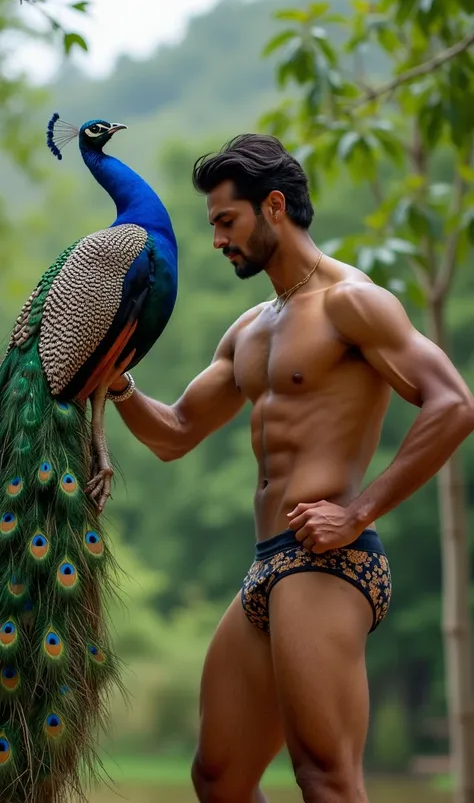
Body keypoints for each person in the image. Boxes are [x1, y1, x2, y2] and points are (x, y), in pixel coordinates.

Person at [102, 134, 474, 803]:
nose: (217, 240)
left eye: (226, 221)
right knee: (218, 778)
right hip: (266, 566)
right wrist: (118, 383)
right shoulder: (249, 329)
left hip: (330, 560)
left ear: (273, 206)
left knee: (325, 777)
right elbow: (177, 433)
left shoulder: (351, 302)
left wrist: (357, 511)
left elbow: (454, 405)